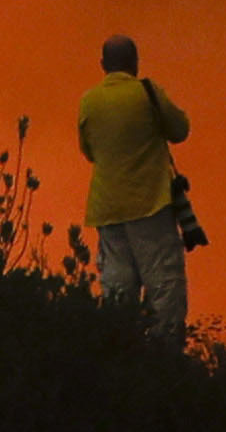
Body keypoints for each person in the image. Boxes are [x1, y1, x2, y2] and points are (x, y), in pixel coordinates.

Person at [75, 32, 193, 334]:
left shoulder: (89, 101)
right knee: (164, 288)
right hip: (150, 206)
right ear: (135, 63)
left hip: (108, 211)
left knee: (117, 290)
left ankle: (120, 357)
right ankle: (164, 360)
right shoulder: (148, 92)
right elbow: (180, 130)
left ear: (102, 65)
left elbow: (88, 151)